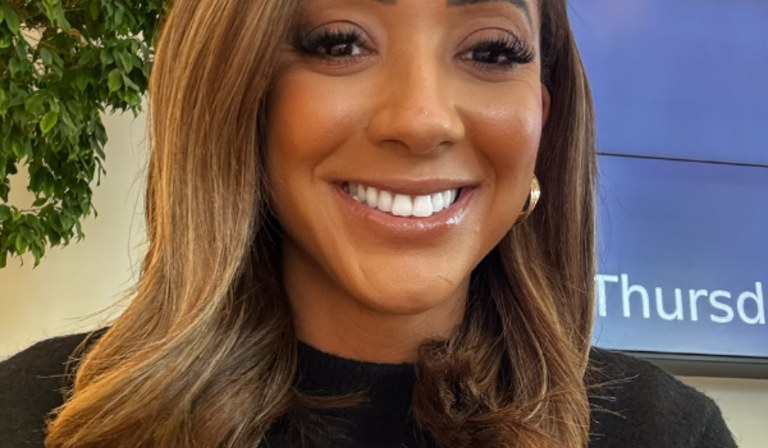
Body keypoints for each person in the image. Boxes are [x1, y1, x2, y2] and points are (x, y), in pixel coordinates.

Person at [0, 0, 738, 447]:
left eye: (491, 50)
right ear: (239, 91)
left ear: (543, 113)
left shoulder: (662, 432)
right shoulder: (33, 417)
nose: (421, 120)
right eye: (340, 42)